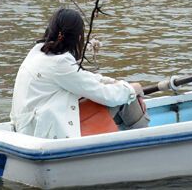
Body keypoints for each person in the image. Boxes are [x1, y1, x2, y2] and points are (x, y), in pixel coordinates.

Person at [10, 8, 145, 139]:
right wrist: (132, 90)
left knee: (124, 92)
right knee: (126, 100)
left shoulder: (37, 52)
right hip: (45, 132)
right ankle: (143, 142)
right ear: (77, 37)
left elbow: (87, 79)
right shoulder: (60, 63)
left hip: (27, 128)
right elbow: (105, 95)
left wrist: (121, 85)